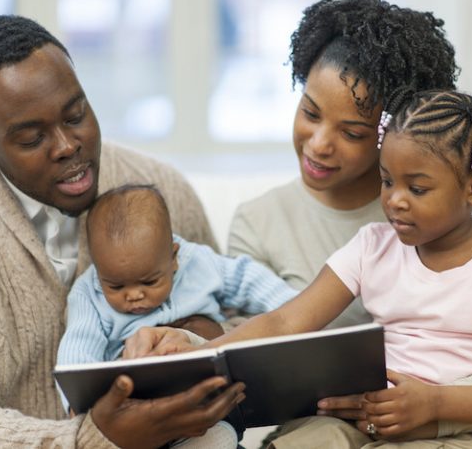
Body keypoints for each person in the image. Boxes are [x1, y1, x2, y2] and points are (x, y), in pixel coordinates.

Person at [224, 0, 472, 448]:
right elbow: (258, 344)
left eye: (353, 132)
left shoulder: (465, 215)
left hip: (447, 424)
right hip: (339, 420)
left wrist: (437, 404)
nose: (319, 144)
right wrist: (194, 346)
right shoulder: (274, 224)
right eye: (310, 112)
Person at [129, 88, 472, 448]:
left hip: (461, 427)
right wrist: (200, 355)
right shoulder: (372, 247)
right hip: (364, 416)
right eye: (387, 180)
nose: (393, 200)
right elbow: (286, 320)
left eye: (417, 187)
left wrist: (434, 405)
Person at [0, 15, 243, 448]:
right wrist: (91, 440)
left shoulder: (160, 187)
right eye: (31, 138)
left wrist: (199, 335)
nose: (66, 146)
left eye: (75, 115)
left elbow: (236, 320)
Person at [56, 183, 298, 447]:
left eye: (149, 282)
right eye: (115, 286)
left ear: (173, 258)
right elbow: (77, 350)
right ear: (97, 265)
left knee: (222, 420)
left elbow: (246, 278)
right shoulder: (88, 292)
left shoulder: (199, 263)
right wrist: (78, 407)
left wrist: (291, 306)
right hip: (143, 407)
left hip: (210, 394)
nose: (134, 295)